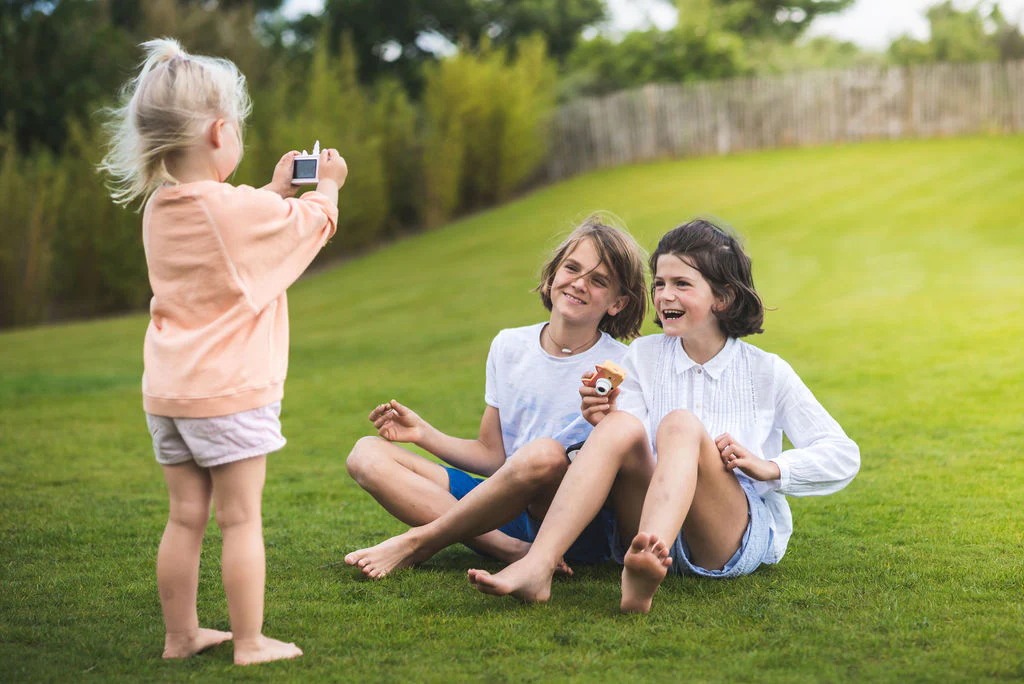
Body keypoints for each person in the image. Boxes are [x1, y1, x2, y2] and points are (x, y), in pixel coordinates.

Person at [99, 38, 348, 664]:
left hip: (171, 393)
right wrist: (329, 189)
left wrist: (271, 186)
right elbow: (304, 224)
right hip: (227, 395)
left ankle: (180, 636)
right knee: (240, 520)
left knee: (186, 518)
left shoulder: (163, 205)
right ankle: (251, 641)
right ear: (218, 133)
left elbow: (241, 220)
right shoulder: (226, 209)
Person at [468, 218, 860, 613]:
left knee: (680, 424)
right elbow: (627, 448)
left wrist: (770, 467)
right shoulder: (642, 356)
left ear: (721, 298)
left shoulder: (766, 371)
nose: (665, 295)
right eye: (659, 284)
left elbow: (842, 454)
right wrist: (602, 423)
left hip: (724, 537)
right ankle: (539, 565)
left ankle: (644, 569)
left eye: (681, 284)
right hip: (644, 519)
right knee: (624, 424)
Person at [344, 217, 647, 579]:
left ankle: (423, 540)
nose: (579, 283)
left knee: (547, 455)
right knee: (366, 455)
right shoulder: (509, 346)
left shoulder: (622, 367)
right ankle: (507, 549)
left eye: (599, 281)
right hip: (509, 504)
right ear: (552, 276)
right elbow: (492, 457)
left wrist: (605, 421)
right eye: (572, 268)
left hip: (573, 520)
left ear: (617, 303)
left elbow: (626, 472)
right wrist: (423, 434)